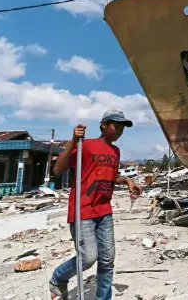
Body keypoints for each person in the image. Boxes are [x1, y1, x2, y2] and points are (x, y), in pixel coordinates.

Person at [49, 110, 143, 300]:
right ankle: (58, 277)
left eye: (122, 128)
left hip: (104, 210)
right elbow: (58, 169)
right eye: (116, 126)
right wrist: (74, 141)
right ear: (103, 125)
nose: (119, 131)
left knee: (107, 260)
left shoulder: (116, 151)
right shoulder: (87, 145)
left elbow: (110, 176)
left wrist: (127, 181)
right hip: (82, 210)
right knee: (88, 258)